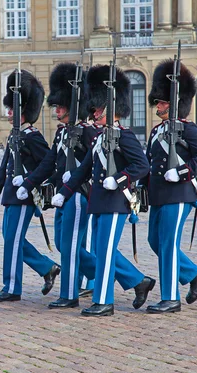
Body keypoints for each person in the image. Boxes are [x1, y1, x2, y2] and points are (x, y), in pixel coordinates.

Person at [52, 65, 155, 317]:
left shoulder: (124, 136)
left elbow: (142, 165)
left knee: (105, 252)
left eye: (98, 109)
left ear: (110, 109)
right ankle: (118, 291)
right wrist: (64, 192)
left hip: (115, 202)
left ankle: (104, 302)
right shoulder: (99, 138)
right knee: (100, 251)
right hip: (99, 202)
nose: (94, 113)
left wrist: (120, 178)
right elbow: (82, 170)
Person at [14, 63, 99, 309]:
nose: (57, 110)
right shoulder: (63, 133)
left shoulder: (87, 132)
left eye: (61, 106)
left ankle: (69, 294)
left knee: (70, 245)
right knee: (63, 244)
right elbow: (50, 163)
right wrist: (30, 183)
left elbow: (94, 165)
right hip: (63, 196)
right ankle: (121, 275)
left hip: (79, 194)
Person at [142, 59, 197, 314]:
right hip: (160, 196)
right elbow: (150, 164)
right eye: (158, 102)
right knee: (155, 241)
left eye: (163, 102)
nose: (158, 106)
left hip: (179, 193)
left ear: (174, 103)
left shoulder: (187, 129)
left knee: (168, 244)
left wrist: (183, 172)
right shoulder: (156, 132)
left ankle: (170, 297)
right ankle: (194, 274)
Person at [0, 69, 61, 302]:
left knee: (13, 240)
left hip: (24, 196)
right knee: (11, 238)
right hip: (11, 195)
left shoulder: (33, 137)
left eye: (13, 110)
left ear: (24, 111)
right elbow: (5, 166)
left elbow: (49, 164)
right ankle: (47, 268)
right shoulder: (15, 135)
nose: (8, 113)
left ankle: (12, 287)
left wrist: (28, 182)